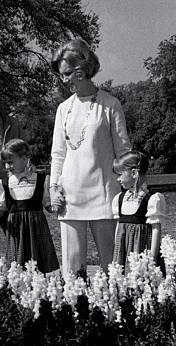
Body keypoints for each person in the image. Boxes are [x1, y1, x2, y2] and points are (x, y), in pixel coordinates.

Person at [50, 39, 132, 278]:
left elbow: (124, 151)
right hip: (69, 197)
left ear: (81, 71)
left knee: (113, 267)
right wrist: (54, 187)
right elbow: (58, 154)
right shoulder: (63, 109)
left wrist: (132, 185)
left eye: (66, 74)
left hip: (105, 195)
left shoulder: (110, 105)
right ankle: (74, 311)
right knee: (72, 270)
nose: (63, 80)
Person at [0, 139, 59, 273]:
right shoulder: (4, 183)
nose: (7, 167)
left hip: (36, 230)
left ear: (25, 158)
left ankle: (40, 291)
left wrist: (57, 204)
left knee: (39, 266)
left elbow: (48, 205)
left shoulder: (40, 179)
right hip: (16, 231)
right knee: (18, 266)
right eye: (5, 163)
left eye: (11, 162)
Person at [112, 150, 166, 270]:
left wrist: (152, 258)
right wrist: (117, 251)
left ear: (134, 173)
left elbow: (156, 229)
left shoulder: (151, 199)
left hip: (141, 252)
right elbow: (118, 227)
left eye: (120, 175)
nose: (118, 179)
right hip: (123, 252)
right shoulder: (120, 199)